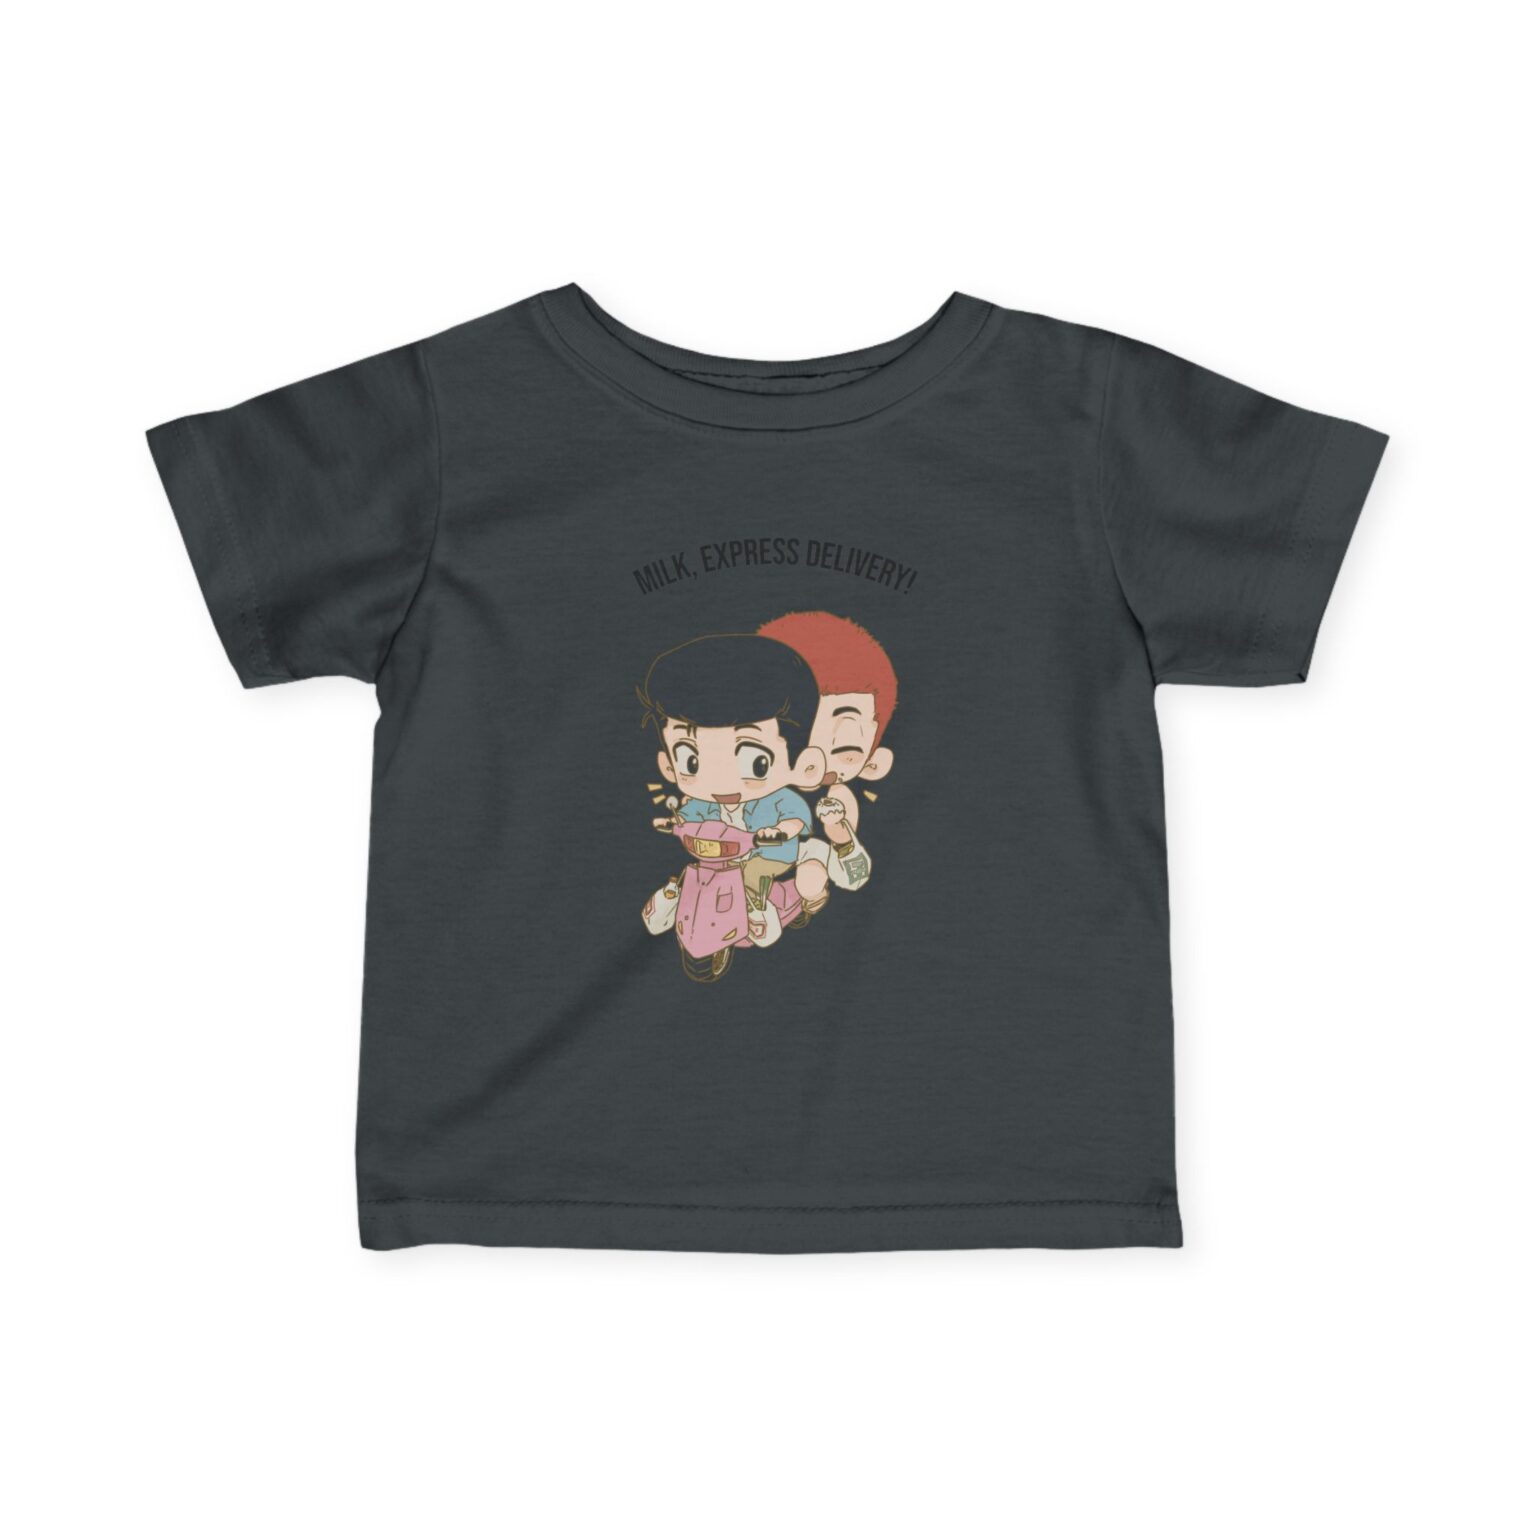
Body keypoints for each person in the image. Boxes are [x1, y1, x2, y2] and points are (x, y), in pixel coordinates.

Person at [638, 633, 826, 946]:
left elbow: (795, 820)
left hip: (770, 854)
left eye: (756, 762)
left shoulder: (780, 798)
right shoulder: (703, 804)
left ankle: (761, 914)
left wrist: (781, 830)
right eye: (691, 760)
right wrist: (673, 822)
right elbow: (687, 816)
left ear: (803, 764)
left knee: (750, 875)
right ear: (668, 765)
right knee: (689, 876)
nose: (721, 780)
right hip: (719, 858)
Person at [757, 611, 897, 914]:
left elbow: (855, 877)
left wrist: (841, 838)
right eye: (796, 740)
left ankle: (802, 900)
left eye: (845, 750)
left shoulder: (838, 799)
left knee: (810, 874)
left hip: (806, 858)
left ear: (874, 763)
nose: (814, 763)